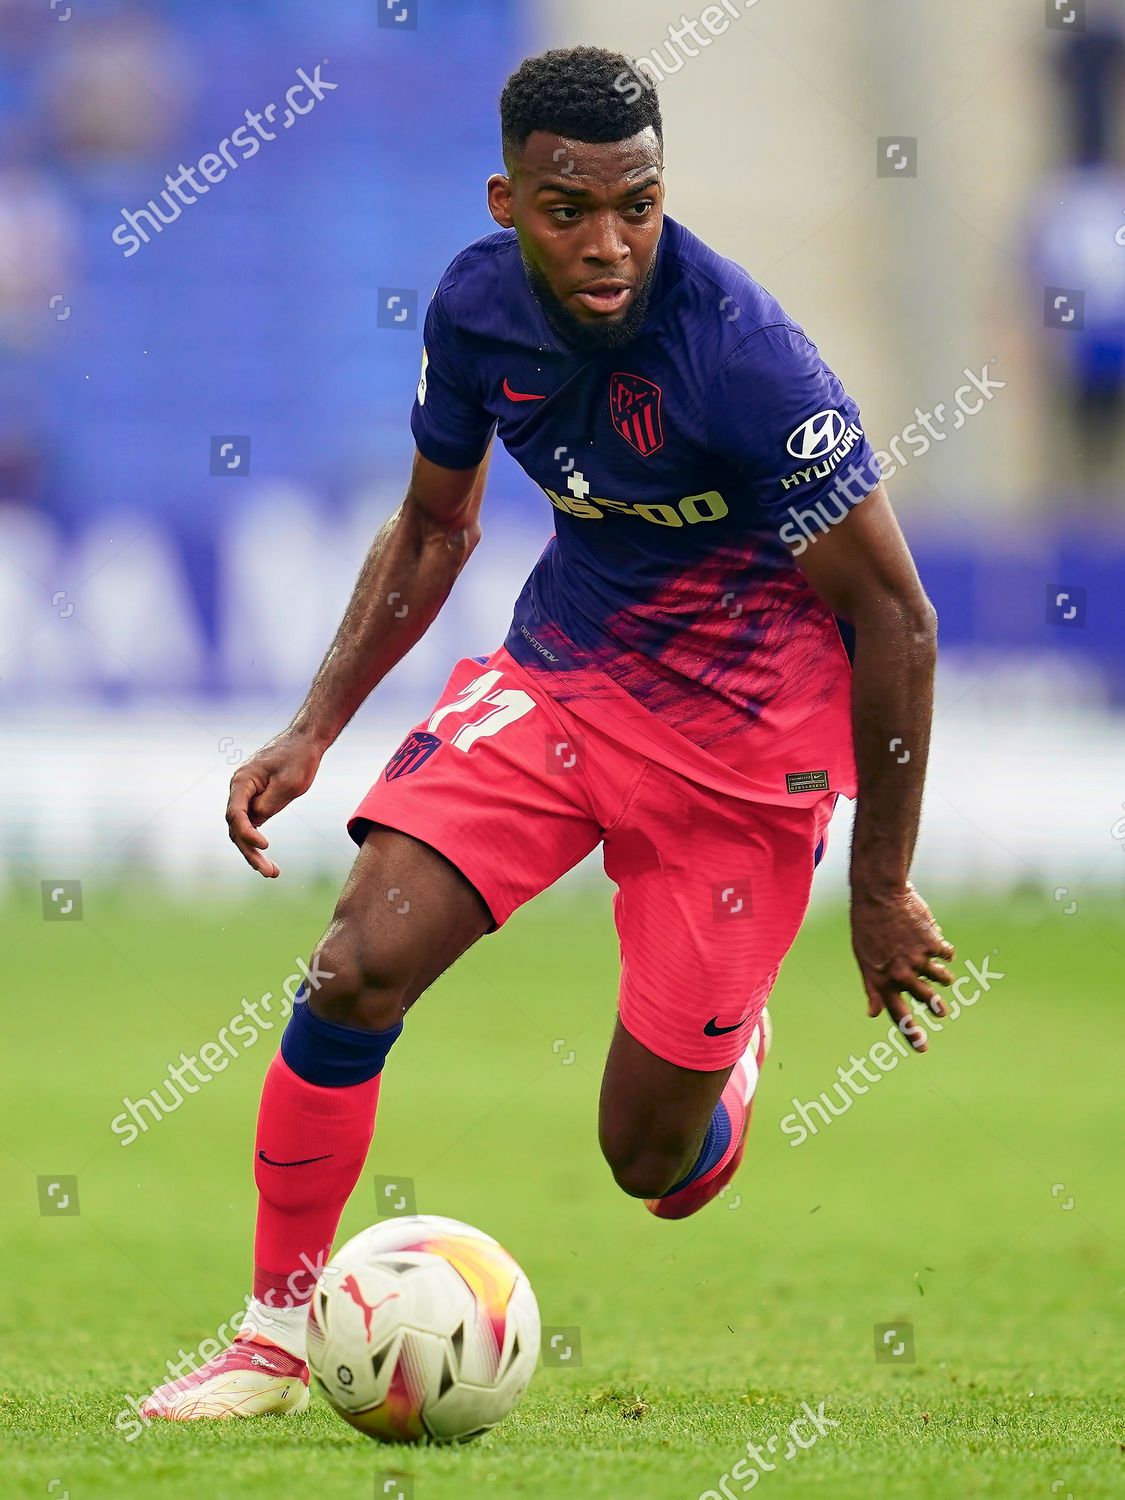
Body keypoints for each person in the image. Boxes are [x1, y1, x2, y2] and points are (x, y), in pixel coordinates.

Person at [143, 45, 954, 1421]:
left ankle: (730, 1048)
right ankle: (276, 1334)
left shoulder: (746, 363)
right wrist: (311, 727)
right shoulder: (471, 310)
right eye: (569, 207)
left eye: (636, 204)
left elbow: (896, 620)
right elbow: (435, 527)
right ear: (507, 201)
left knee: (650, 1165)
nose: (609, 240)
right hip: (566, 680)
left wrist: (875, 892)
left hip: (747, 751)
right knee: (354, 965)